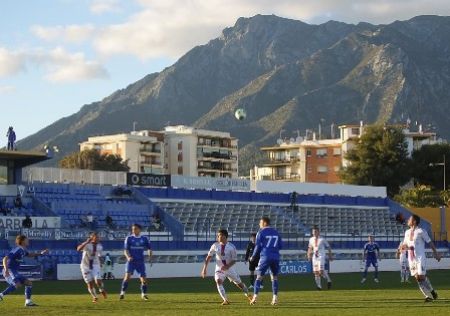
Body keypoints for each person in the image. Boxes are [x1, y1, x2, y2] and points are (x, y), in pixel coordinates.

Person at [201, 229, 250, 305]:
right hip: (219, 268)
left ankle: (248, 294)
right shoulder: (215, 245)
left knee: (239, 284)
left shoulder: (231, 247)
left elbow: (234, 260)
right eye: (217, 235)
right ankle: (225, 300)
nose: (217, 237)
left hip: (230, 269)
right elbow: (208, 257)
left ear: (224, 236)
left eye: (219, 235)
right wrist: (204, 269)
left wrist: (227, 266)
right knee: (218, 281)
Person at [0, 235, 48, 306]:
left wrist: (40, 253)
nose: (28, 240)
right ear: (22, 241)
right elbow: (5, 258)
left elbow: (30, 255)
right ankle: (1, 295)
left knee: (29, 283)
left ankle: (28, 302)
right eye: (26, 239)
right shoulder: (18, 249)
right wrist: (6, 269)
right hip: (10, 270)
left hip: (14, 271)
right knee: (17, 284)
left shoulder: (23, 250)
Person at [402, 215, 441, 302]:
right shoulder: (407, 232)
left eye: (410, 219)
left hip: (420, 258)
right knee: (417, 278)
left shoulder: (421, 231)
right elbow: (405, 244)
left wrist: (436, 253)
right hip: (411, 259)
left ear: (414, 221)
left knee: (422, 276)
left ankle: (432, 291)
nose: (408, 220)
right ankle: (427, 296)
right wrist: (401, 249)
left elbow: (430, 242)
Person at [249, 216, 282, 306]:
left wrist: (253, 256)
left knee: (259, 277)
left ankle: (255, 297)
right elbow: (281, 246)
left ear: (264, 223)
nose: (259, 224)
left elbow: (258, 246)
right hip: (275, 257)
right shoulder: (276, 232)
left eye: (260, 222)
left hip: (265, 257)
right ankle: (275, 299)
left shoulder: (261, 232)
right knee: (274, 278)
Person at [120, 224, 152, 301]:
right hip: (131, 261)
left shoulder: (144, 239)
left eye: (135, 229)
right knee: (127, 277)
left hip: (140, 262)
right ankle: (122, 293)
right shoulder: (129, 238)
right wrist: (128, 257)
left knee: (143, 280)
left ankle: (143, 294)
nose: (133, 230)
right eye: (132, 229)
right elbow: (125, 250)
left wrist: (150, 256)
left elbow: (149, 248)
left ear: (139, 230)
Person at [77, 232, 108, 303]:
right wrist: (86, 242)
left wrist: (100, 262)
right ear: (92, 237)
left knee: (98, 280)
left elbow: (99, 255)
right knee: (90, 283)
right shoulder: (87, 245)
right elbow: (78, 249)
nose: (98, 238)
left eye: (98, 237)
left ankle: (101, 290)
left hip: (95, 265)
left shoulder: (100, 246)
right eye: (96, 237)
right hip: (85, 266)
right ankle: (95, 297)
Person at [307, 226, 333, 290]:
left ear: (318, 232)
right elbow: (310, 248)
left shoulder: (322, 239)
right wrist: (308, 255)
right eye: (313, 232)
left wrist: (330, 255)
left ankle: (329, 280)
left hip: (321, 256)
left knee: (320, 271)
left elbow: (328, 247)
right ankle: (319, 286)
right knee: (316, 272)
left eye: (315, 231)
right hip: (314, 257)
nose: (314, 233)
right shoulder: (311, 239)